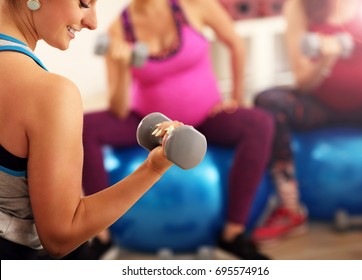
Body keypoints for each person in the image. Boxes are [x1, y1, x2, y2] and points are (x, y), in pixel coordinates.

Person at [82, 0, 275, 260]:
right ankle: (100, 236)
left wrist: (236, 99)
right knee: (86, 127)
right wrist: (123, 64)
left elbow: (236, 44)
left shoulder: (195, 5)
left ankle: (233, 234)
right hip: (149, 126)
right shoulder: (119, 29)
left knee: (260, 123)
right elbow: (118, 107)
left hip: (206, 117)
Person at [0, 0, 184, 260]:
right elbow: (60, 238)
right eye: (84, 3)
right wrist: (154, 168)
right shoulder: (50, 94)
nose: (93, 22)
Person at [253, 0, 362, 257]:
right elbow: (302, 81)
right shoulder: (299, 6)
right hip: (319, 105)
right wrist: (326, 60)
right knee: (268, 101)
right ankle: (290, 209)